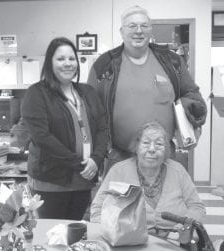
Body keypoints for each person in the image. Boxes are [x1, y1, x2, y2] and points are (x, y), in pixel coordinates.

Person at [87, 5, 207, 174]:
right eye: (132, 26)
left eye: (144, 26)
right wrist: (96, 154)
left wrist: (188, 110)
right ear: (122, 31)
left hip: (163, 157)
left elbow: (192, 94)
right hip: (119, 158)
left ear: (151, 30)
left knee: (165, 200)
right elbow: (91, 110)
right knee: (120, 201)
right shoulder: (104, 65)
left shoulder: (171, 61)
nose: (138, 31)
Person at [21, 37, 108, 220]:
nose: (67, 64)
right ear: (50, 63)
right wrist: (80, 163)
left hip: (84, 179)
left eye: (71, 58)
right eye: (60, 59)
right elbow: (42, 137)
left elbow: (102, 127)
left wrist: (96, 159)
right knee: (52, 235)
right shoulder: (37, 93)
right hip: (51, 181)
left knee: (76, 232)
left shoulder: (88, 92)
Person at [90, 121, 206, 236]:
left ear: (166, 150)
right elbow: (97, 209)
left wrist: (183, 227)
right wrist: (115, 231)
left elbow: (197, 207)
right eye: (146, 143)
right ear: (136, 147)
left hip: (175, 241)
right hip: (129, 241)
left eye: (159, 144)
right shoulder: (119, 171)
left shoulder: (177, 170)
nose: (152, 149)